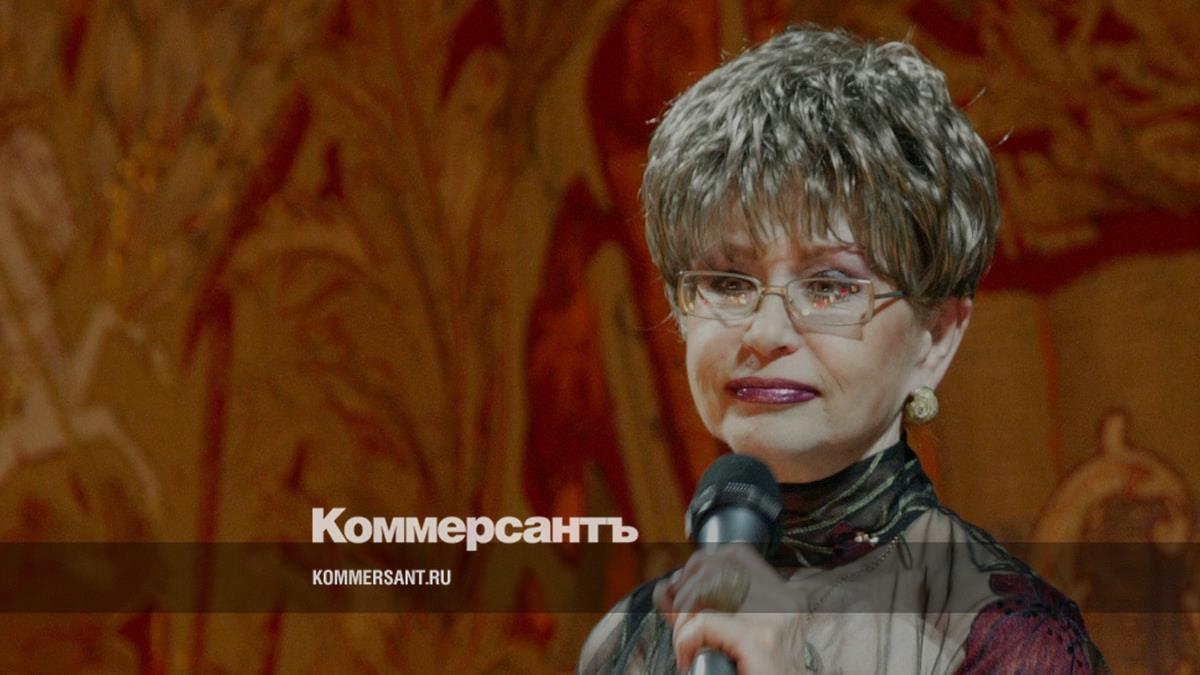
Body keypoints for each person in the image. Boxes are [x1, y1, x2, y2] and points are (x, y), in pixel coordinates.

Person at [578, 25, 1109, 674]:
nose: (764, 331)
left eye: (829, 286)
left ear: (936, 336)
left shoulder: (1014, 641)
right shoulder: (630, 642)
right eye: (727, 282)